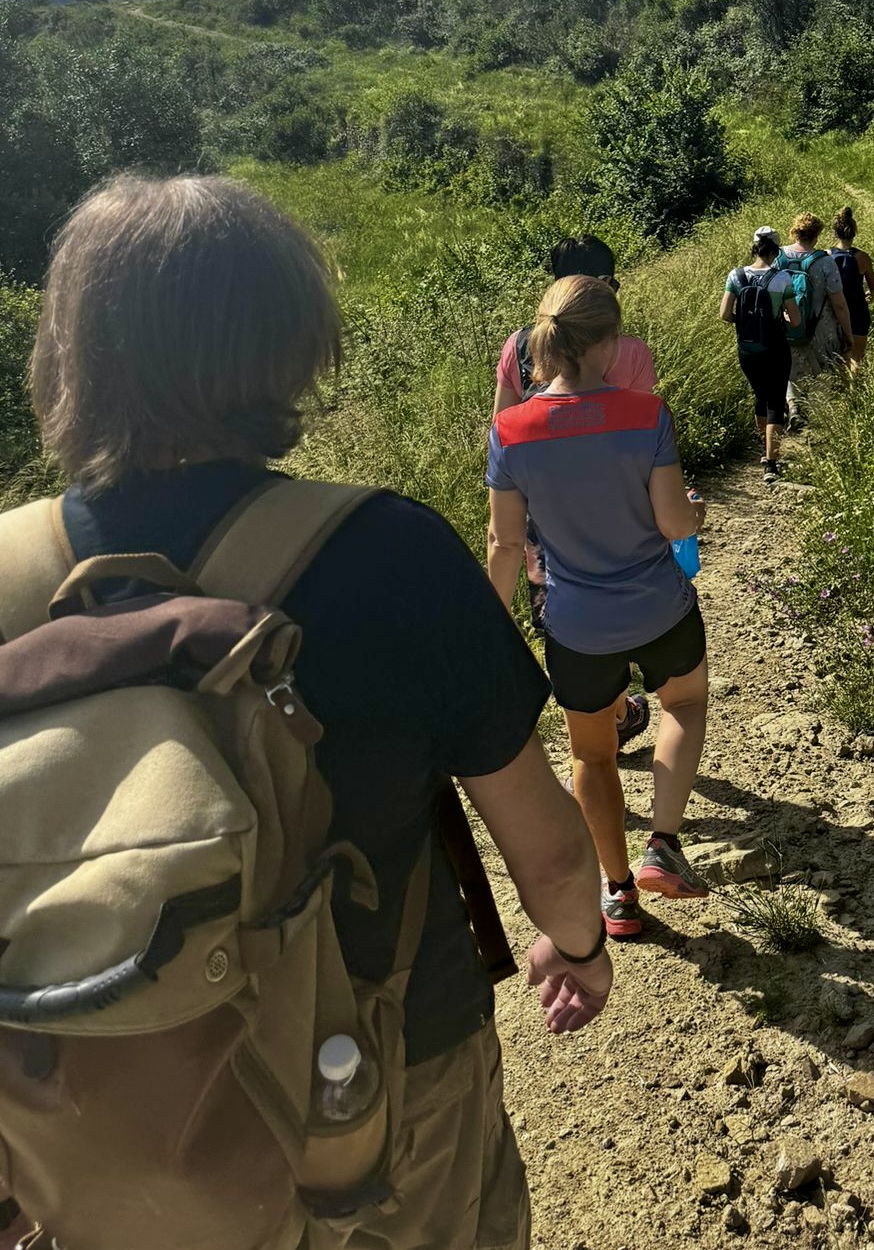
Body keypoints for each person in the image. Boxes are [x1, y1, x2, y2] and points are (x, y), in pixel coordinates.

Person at [1, 174, 611, 1250]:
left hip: (87, 1118)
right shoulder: (387, 553)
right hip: (385, 1081)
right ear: (288, 346)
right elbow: (554, 858)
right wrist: (579, 948)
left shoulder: (9, 580)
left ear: (66, 358)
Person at [486, 277, 710, 944]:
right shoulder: (648, 414)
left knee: (593, 756)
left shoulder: (510, 430)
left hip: (576, 625)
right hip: (661, 607)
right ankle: (662, 844)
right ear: (610, 342)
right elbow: (674, 525)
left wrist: (493, 627)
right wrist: (695, 512)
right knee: (684, 704)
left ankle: (617, 893)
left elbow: (505, 544)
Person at [492, 233, 653, 747]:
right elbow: (643, 443)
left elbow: (502, 429)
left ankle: (603, 721)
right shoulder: (629, 350)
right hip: (617, 511)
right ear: (601, 285)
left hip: (542, 514)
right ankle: (615, 714)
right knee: (620, 611)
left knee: (562, 620)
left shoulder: (519, 346)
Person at [721, 225, 802, 483]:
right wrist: (782, 318)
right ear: (775, 251)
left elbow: (724, 314)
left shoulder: (735, 276)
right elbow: (796, 321)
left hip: (747, 349)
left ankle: (762, 447)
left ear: (754, 248)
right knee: (776, 401)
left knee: (761, 396)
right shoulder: (782, 278)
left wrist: (747, 324)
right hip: (776, 347)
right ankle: (771, 464)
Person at [777, 212, 854, 419]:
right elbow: (839, 304)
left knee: (789, 367)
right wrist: (848, 334)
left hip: (785, 325)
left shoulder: (778, 257)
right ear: (816, 234)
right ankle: (817, 417)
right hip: (820, 328)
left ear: (795, 231)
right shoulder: (825, 261)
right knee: (821, 370)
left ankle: (793, 406)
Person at [829, 207, 874, 372]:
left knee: (836, 356)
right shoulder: (862, 257)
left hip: (834, 311)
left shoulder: (826, 256)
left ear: (835, 233)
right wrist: (869, 293)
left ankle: (839, 384)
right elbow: (873, 286)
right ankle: (853, 386)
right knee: (856, 357)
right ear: (854, 232)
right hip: (858, 310)